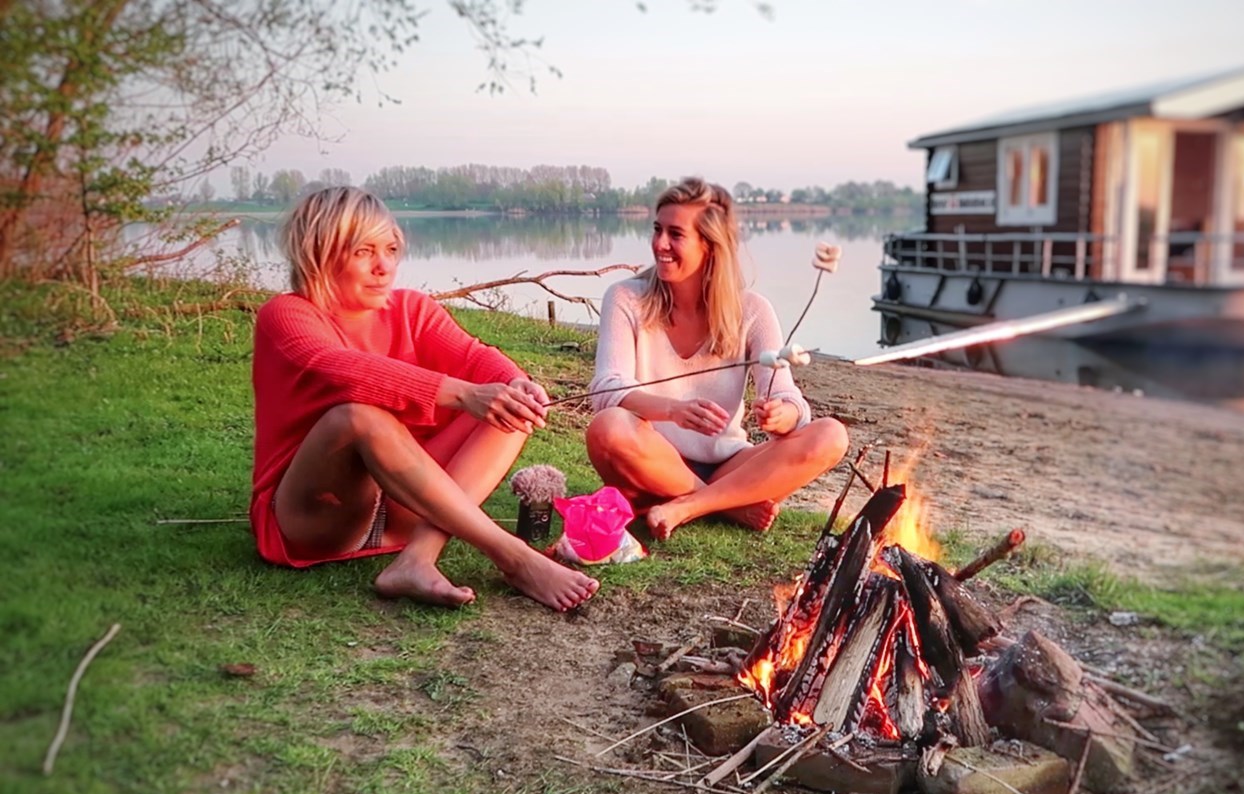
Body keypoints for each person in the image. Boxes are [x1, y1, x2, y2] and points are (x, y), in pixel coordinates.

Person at [250, 186, 597, 611]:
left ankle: (417, 557)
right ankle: (512, 556)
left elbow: (477, 358)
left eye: (391, 249)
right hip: (319, 520)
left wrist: (515, 384)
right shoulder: (286, 315)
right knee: (358, 416)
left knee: (508, 408)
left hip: (408, 513)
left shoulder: (411, 309)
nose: (384, 267)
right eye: (363, 252)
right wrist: (463, 394)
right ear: (317, 253)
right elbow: (337, 368)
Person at [585, 177, 849, 540]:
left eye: (675, 234)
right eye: (657, 229)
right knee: (609, 427)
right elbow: (606, 389)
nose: (660, 244)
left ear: (710, 246)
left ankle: (689, 505)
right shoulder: (626, 298)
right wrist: (672, 410)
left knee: (831, 435)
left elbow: (791, 401)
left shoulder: (753, 311)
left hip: (729, 465)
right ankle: (726, 504)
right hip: (648, 460)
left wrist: (783, 416)